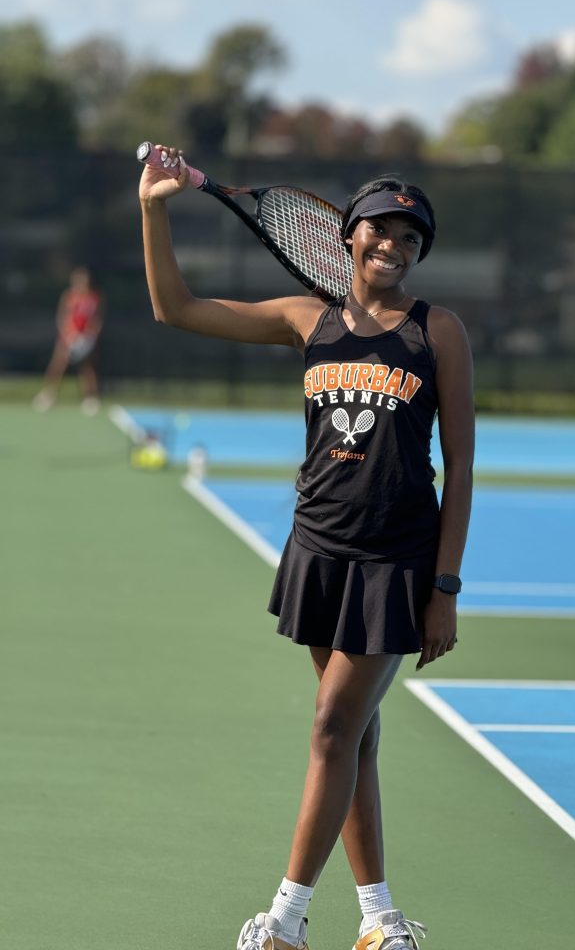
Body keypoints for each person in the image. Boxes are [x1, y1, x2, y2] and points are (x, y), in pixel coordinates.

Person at [139, 145, 475, 950]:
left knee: (332, 727)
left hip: (396, 560)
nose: (393, 246)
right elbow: (175, 308)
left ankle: (285, 921)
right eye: (380, 231)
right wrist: (152, 209)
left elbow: (460, 463)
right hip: (317, 550)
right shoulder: (307, 321)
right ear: (347, 238)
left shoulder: (439, 332)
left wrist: (445, 587)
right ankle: (380, 919)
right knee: (354, 735)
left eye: (409, 237)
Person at [33, 265, 105, 415]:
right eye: (78, 280)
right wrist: (69, 335)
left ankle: (90, 398)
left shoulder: (94, 297)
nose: (81, 282)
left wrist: (89, 336)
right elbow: (62, 317)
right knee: (58, 365)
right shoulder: (69, 296)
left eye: (84, 279)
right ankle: (49, 395)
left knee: (87, 367)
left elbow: (97, 319)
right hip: (68, 337)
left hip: (86, 339)